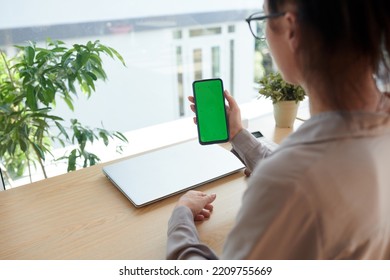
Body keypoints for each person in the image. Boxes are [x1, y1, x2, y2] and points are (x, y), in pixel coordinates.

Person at [167, 0, 390, 259]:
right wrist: (238, 134)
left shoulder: (288, 184)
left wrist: (180, 220)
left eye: (264, 21)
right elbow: (304, 168)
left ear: (290, 27)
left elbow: (294, 178)